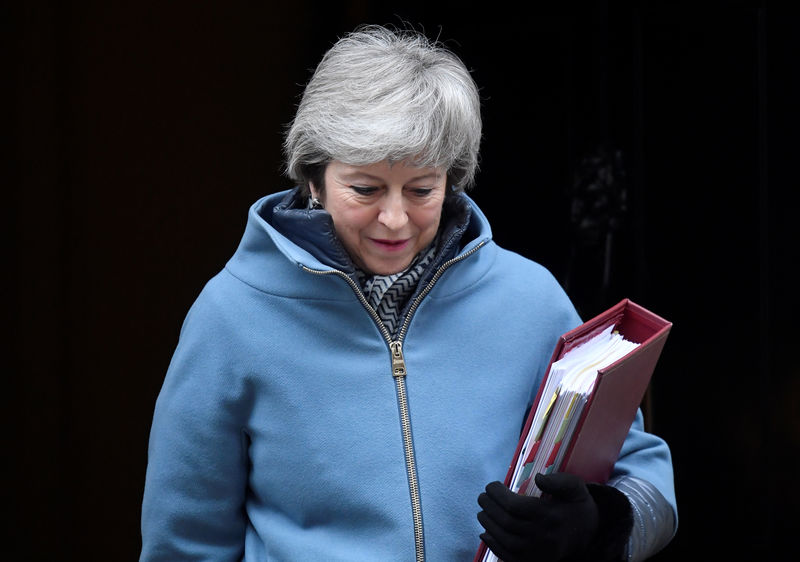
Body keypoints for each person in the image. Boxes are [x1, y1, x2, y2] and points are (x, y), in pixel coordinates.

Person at [140, 25, 677, 561]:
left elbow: (645, 473)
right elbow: (183, 544)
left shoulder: (531, 300)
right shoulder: (231, 316)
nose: (394, 219)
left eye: (422, 190)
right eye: (365, 189)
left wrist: (598, 525)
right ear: (313, 177)